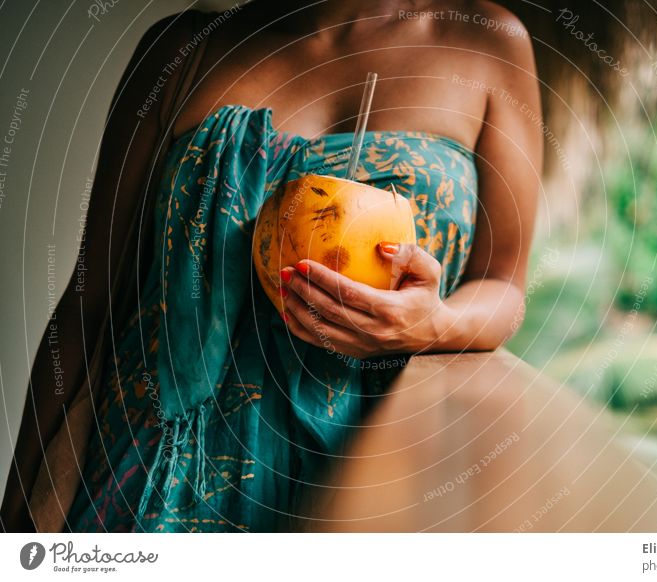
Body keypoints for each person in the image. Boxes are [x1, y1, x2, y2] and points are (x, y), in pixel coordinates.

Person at [1, 0, 541, 532]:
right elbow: (91, 298)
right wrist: (17, 515)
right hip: (148, 483)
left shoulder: (490, 42)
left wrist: (432, 325)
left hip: (367, 482)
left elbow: (505, 288)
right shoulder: (186, 47)